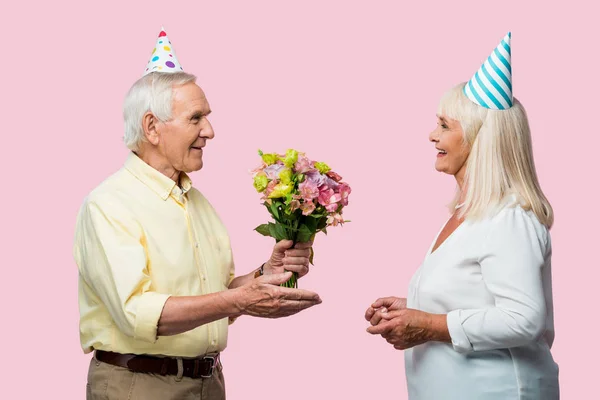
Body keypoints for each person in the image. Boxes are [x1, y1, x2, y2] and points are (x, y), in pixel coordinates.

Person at [74, 28, 321, 400]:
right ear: (152, 128)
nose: (210, 130)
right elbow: (137, 312)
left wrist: (264, 275)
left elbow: (216, 296)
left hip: (208, 384)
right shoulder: (109, 204)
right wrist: (240, 299)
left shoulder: (197, 202)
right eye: (195, 118)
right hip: (137, 386)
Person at [364, 33, 559, 399]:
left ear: (478, 139)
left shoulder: (510, 218)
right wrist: (414, 311)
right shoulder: (468, 215)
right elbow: (477, 299)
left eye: (444, 126)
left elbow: (523, 318)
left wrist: (428, 324)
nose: (431, 135)